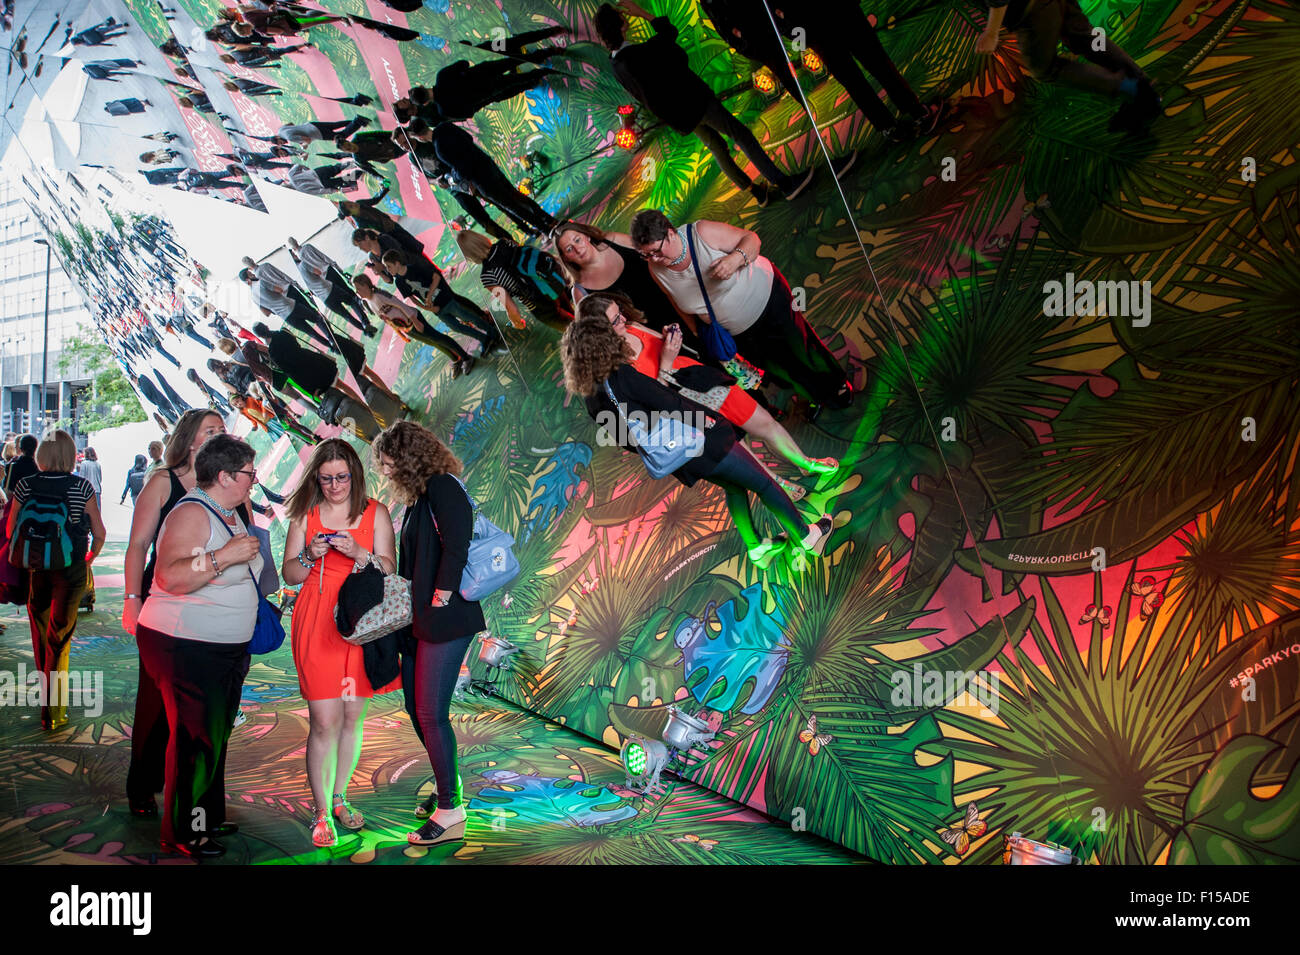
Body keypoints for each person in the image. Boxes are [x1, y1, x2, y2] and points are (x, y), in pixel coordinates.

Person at [561, 314, 832, 567]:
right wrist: (707, 421)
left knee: (735, 487)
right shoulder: (621, 375)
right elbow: (666, 401)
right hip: (703, 440)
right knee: (763, 482)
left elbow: (625, 439)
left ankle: (756, 546)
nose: (619, 328)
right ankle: (805, 535)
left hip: (679, 456)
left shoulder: (593, 398)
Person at [135, 434, 263, 858]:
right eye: (248, 473)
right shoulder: (191, 511)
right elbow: (169, 576)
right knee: (196, 740)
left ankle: (204, 817)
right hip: (184, 642)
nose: (254, 479)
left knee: (214, 735)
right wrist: (222, 558)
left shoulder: (227, 510)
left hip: (219, 646)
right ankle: (183, 831)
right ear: (225, 476)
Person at [581, 293, 836, 486]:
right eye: (616, 320)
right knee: (737, 449)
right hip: (687, 410)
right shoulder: (614, 368)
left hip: (700, 381)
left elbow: (661, 344)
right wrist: (667, 361)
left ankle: (805, 462)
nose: (623, 319)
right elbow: (656, 402)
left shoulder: (631, 327)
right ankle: (780, 486)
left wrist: (669, 337)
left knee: (762, 421)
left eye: (620, 313)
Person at [281, 439, 399, 846]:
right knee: (324, 721)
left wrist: (361, 554)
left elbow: (388, 569)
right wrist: (311, 555)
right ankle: (320, 813)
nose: (334, 486)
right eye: (327, 478)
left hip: (359, 622)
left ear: (355, 474)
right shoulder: (305, 514)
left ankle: (339, 798)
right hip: (317, 620)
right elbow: (290, 575)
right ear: (317, 477)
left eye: (342, 477)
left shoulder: (375, 512)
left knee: (352, 718)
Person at [373, 422, 483, 845]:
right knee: (415, 706)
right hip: (423, 620)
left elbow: (458, 542)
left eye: (387, 463)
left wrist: (441, 595)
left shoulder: (441, 486)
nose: (385, 472)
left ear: (408, 458)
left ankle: (451, 810)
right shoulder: (420, 497)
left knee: (431, 712)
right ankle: (447, 787)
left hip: (447, 617)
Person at [630, 210, 853, 411]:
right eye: (646, 255)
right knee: (776, 364)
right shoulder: (655, 268)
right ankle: (814, 393)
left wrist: (735, 259)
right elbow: (675, 300)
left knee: (801, 347)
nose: (653, 259)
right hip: (738, 330)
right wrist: (698, 332)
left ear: (670, 233)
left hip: (768, 300)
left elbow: (752, 240)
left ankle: (836, 384)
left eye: (656, 252)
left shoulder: (702, 233)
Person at [595, 1, 813, 206]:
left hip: (680, 117)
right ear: (621, 24)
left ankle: (757, 192)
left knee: (718, 148)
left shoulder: (616, 63)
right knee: (741, 135)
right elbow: (669, 33)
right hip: (696, 103)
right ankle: (785, 185)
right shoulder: (638, 54)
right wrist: (641, 12)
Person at [122, 410, 229, 818]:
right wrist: (132, 599)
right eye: (210, 430)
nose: (218, 435)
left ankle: (197, 795)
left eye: (222, 430)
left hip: (216, 605)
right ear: (188, 439)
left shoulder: (227, 481)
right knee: (156, 700)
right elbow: (137, 545)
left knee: (206, 705)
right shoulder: (163, 481)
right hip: (163, 601)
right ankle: (143, 785)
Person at [7, 431, 106, 730]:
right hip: (71, 567)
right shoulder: (81, 486)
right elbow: (99, 533)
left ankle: (47, 698)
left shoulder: (26, 485)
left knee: (40, 633)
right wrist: (89, 558)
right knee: (59, 637)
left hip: (36, 568)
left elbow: (12, 528)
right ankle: (54, 710)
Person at [768, 0, 943, 142]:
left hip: (832, 22)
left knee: (861, 77)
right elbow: (778, 20)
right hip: (835, 19)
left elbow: (778, 20)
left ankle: (896, 124)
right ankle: (912, 116)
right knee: (873, 69)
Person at [401, 119, 557, 235]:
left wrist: (452, 179)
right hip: (486, 163)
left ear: (419, 137)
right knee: (515, 195)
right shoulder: (444, 126)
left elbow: (462, 169)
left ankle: (544, 229)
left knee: (511, 205)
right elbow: (468, 138)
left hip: (479, 179)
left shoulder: (439, 148)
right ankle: (548, 219)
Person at [554, 221, 694, 345]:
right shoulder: (580, 292)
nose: (578, 249)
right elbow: (600, 334)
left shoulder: (614, 240)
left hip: (677, 301)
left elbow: (655, 254)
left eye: (577, 240)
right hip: (654, 336)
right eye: (569, 249)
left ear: (587, 236)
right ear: (566, 258)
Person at [380, 248, 500, 356]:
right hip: (435, 308)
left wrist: (430, 295)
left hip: (445, 298)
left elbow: (436, 277)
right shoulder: (399, 282)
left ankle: (492, 332)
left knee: (467, 317)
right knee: (456, 327)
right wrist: (429, 308)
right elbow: (412, 298)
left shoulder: (415, 267)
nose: (387, 270)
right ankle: (484, 339)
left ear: (397, 263)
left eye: (388, 266)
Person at [353, 273, 475, 377]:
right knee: (432, 342)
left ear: (365, 285)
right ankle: (455, 358)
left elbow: (401, 305)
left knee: (438, 338)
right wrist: (400, 332)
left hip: (414, 319)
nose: (357, 292)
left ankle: (466, 357)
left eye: (358, 288)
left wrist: (416, 322)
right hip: (407, 327)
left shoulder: (380, 295)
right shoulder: (367, 303)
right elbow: (386, 319)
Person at [455, 231, 571, 332]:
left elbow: (511, 307)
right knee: (573, 313)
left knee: (573, 329)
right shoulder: (505, 242)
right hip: (550, 281)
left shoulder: (487, 276)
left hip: (538, 303)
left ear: (469, 255)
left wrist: (516, 322)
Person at [287, 237, 375, 336]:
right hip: (329, 272)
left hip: (323, 283)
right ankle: (364, 314)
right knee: (349, 295)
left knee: (346, 314)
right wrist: (336, 267)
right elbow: (323, 256)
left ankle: (366, 330)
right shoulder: (307, 247)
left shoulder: (300, 265)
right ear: (296, 241)